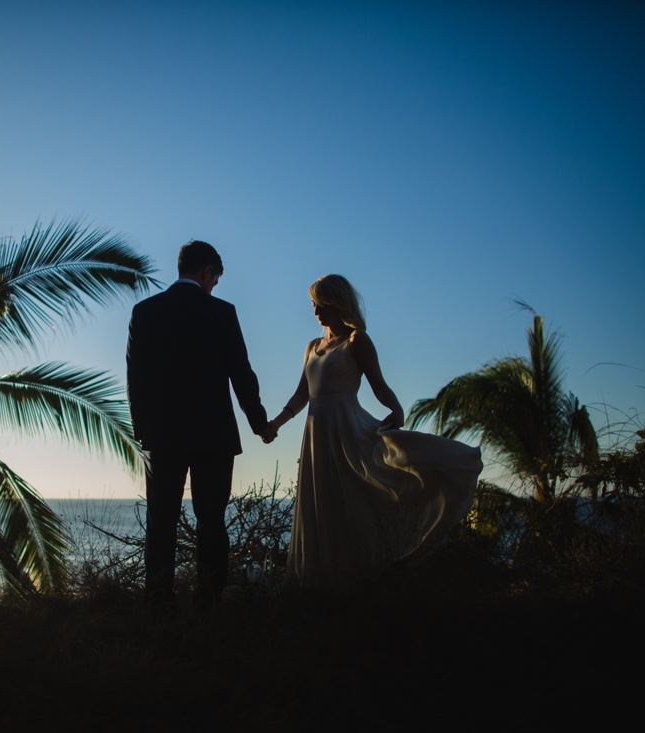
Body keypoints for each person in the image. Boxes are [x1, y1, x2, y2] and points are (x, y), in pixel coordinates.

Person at [267, 274, 483, 592]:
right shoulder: (312, 347)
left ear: (337, 303)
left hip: (346, 430)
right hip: (316, 435)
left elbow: (378, 384)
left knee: (352, 497)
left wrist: (396, 409)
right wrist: (277, 423)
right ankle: (319, 586)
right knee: (322, 504)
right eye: (312, 304)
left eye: (321, 303)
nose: (315, 310)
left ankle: (357, 579)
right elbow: (302, 395)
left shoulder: (357, 341)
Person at [126, 240, 276, 615]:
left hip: (162, 436)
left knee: (161, 522)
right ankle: (207, 603)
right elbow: (242, 374)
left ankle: (159, 601)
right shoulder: (222, 313)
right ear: (207, 272)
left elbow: (135, 379)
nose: (214, 287)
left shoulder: (145, 312)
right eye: (215, 279)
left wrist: (142, 429)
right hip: (214, 437)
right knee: (211, 521)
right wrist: (259, 423)